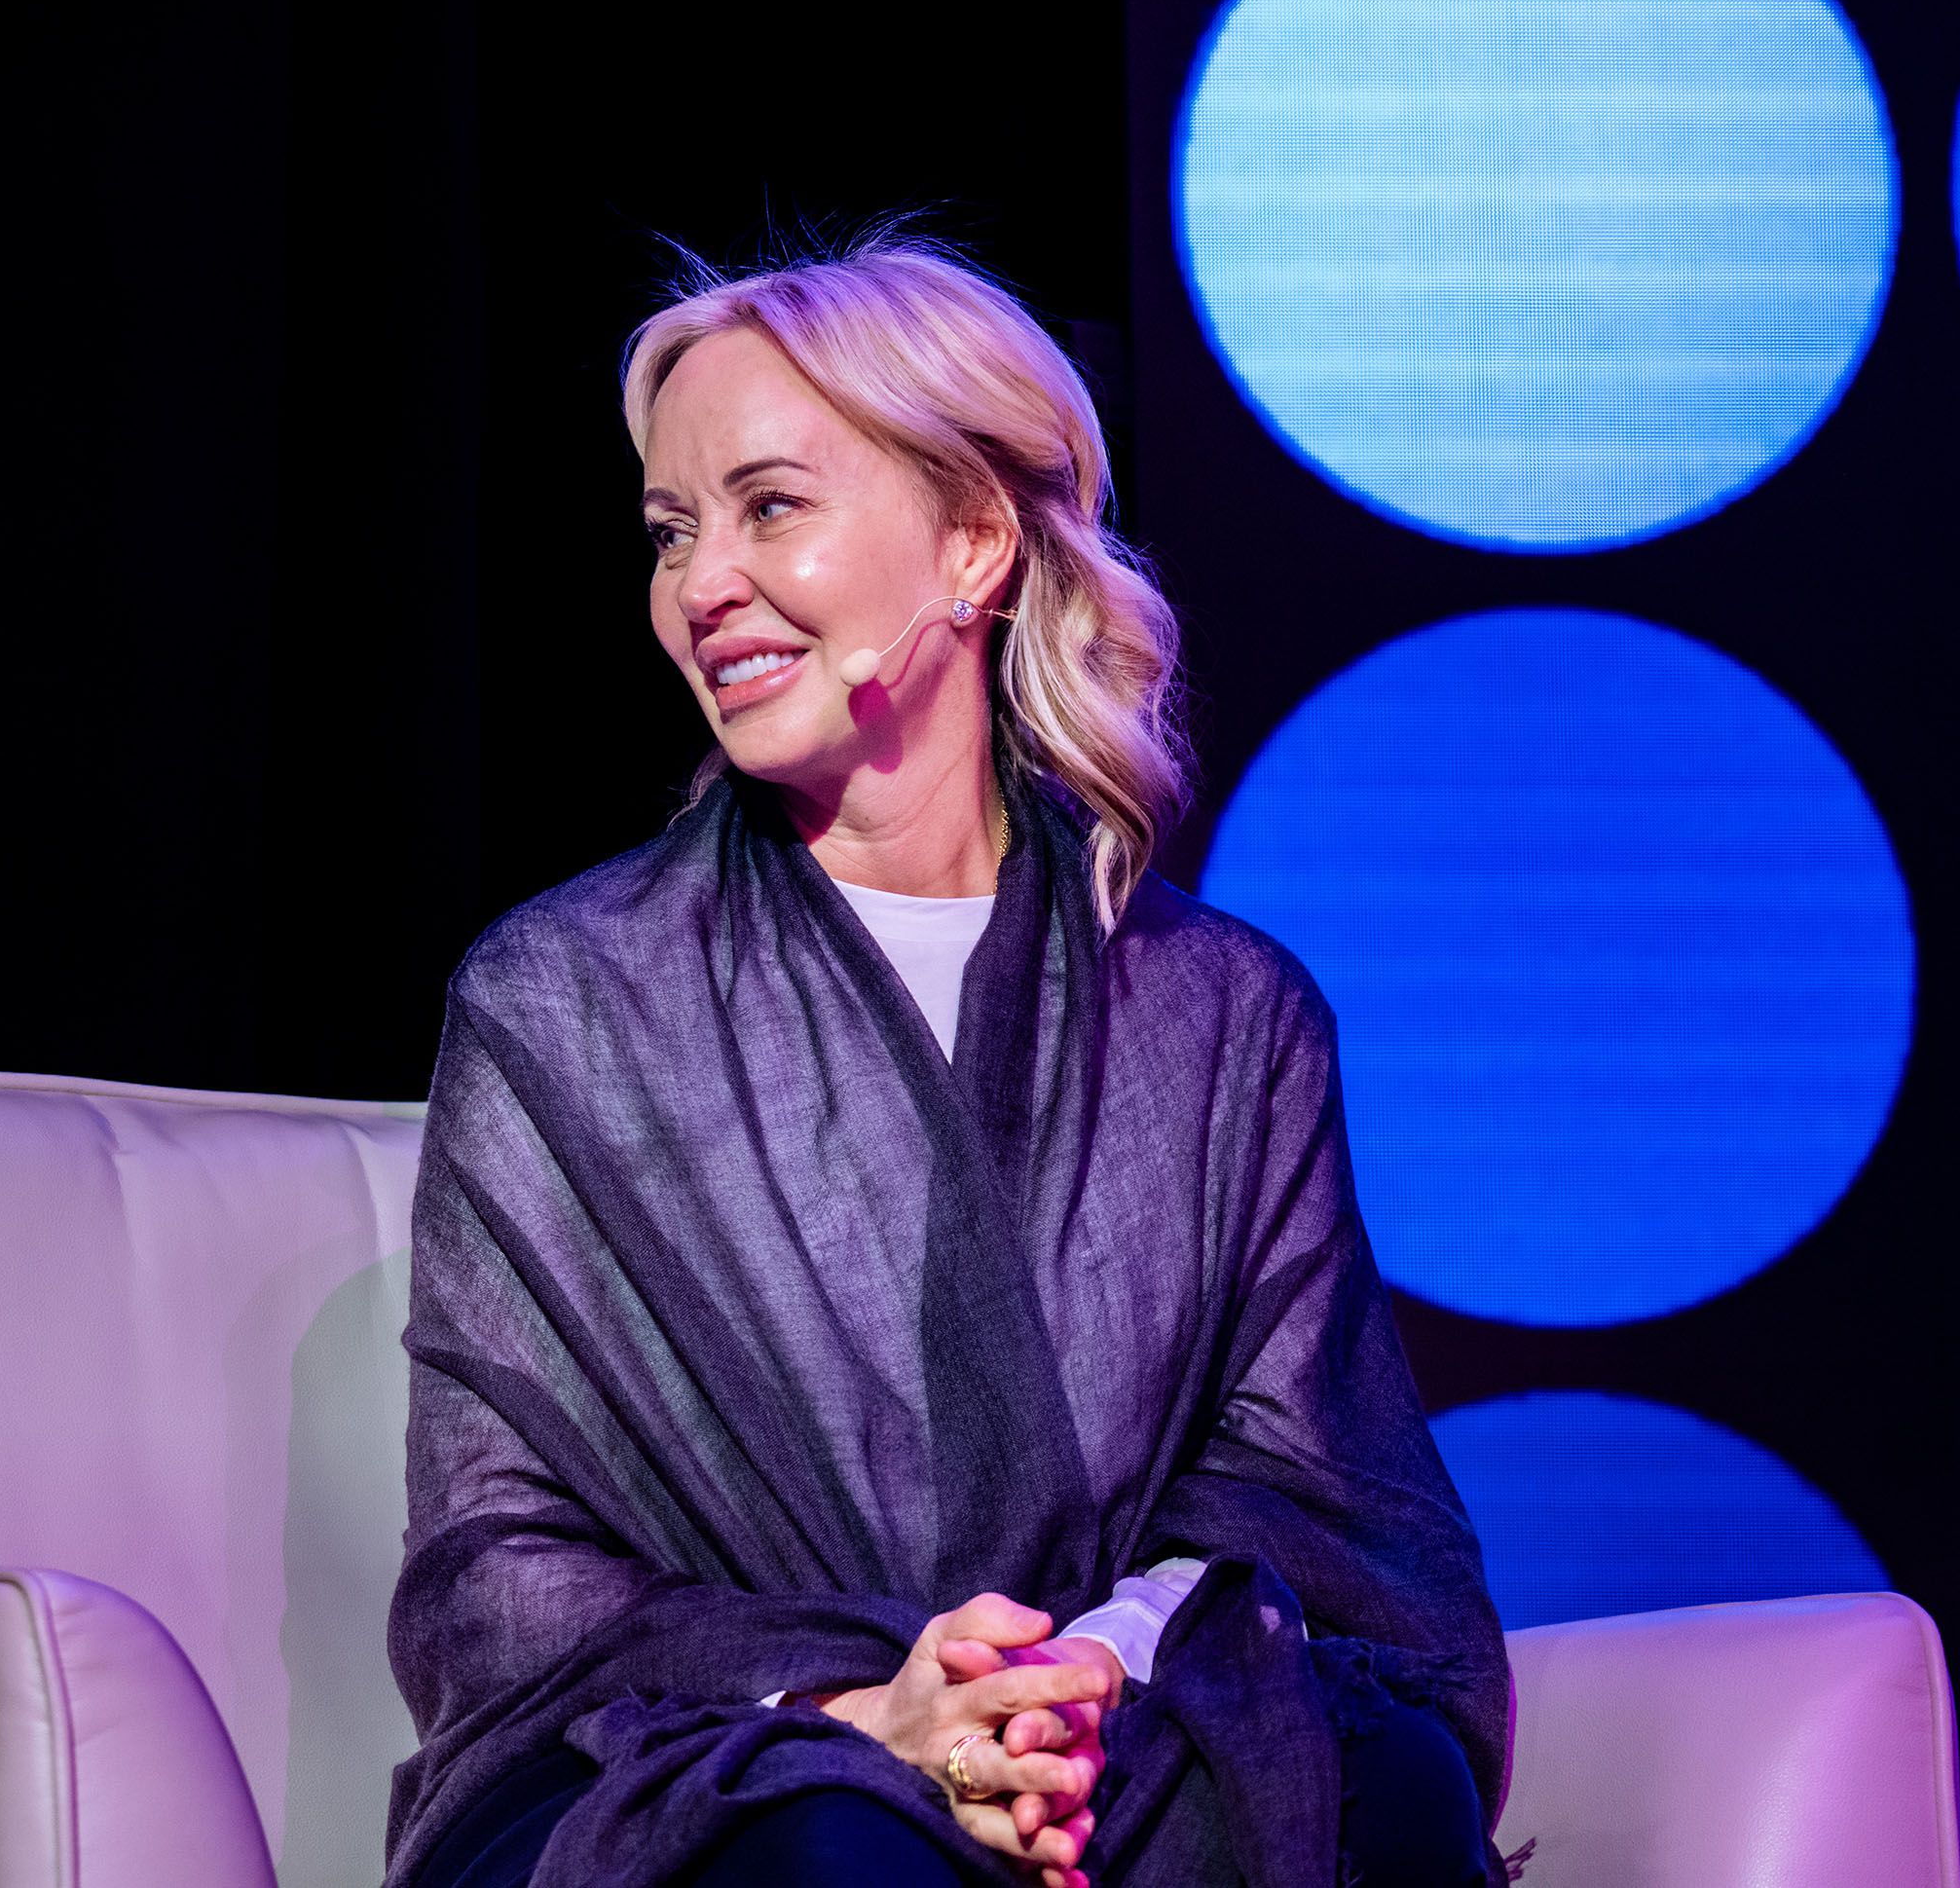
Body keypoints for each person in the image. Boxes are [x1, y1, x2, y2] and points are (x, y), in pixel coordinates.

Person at [385, 238, 1508, 1888]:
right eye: (672, 529)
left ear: (974, 540)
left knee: (1377, 1784)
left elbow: (1303, 1494)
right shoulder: (565, 1005)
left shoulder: (1224, 1016)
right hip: (695, 1756)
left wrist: (1068, 1685)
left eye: (770, 507)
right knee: (849, 1853)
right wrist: (861, 1709)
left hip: (1112, 1724)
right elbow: (503, 1561)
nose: (701, 584)